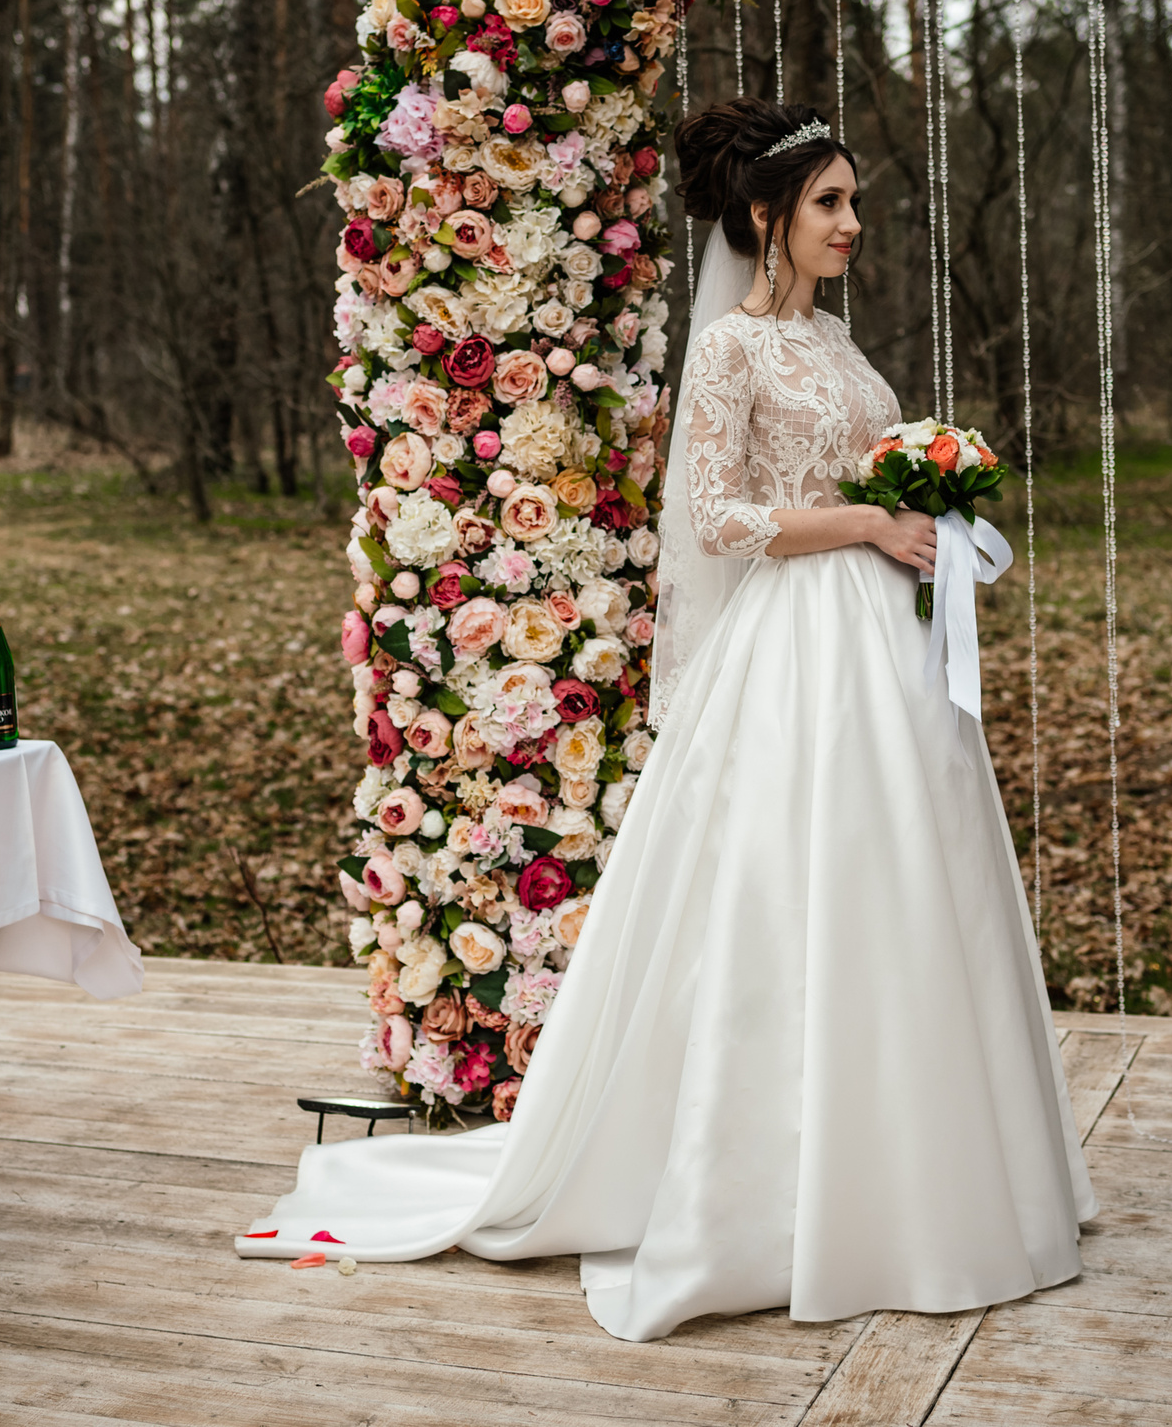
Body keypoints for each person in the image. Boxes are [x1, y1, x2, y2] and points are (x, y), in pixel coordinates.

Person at [235, 97, 1094, 1342]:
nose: (853, 223)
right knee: (793, 889)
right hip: (797, 642)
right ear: (766, 217)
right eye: (830, 204)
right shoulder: (735, 349)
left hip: (881, 648)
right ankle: (783, 1188)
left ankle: (935, 1173)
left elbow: (858, 471)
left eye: (853, 201)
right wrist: (863, 521)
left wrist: (926, 507)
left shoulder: (842, 347)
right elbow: (714, 516)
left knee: (907, 885)